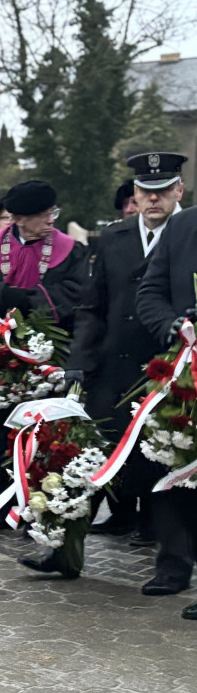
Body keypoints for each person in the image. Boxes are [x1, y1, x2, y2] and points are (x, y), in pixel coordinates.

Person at [66, 153, 186, 558]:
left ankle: (165, 549)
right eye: (146, 192)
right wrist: (79, 360)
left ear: (179, 190)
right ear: (135, 194)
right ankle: (64, 548)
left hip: (170, 374)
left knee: (162, 461)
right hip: (113, 368)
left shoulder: (189, 234)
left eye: (163, 191)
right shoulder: (114, 238)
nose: (154, 200)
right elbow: (91, 307)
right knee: (93, 459)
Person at [0, 180, 87, 533]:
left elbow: (75, 295)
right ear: (18, 218)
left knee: (43, 433)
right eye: (44, 215)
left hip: (49, 360)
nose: (52, 220)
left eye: (53, 213)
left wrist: (30, 303)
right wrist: (6, 294)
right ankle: (3, 503)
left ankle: (41, 506)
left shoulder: (69, 251)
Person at [135, 155, 197, 621]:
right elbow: (149, 293)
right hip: (183, 369)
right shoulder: (182, 229)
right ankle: (173, 564)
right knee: (174, 465)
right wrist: (173, 324)